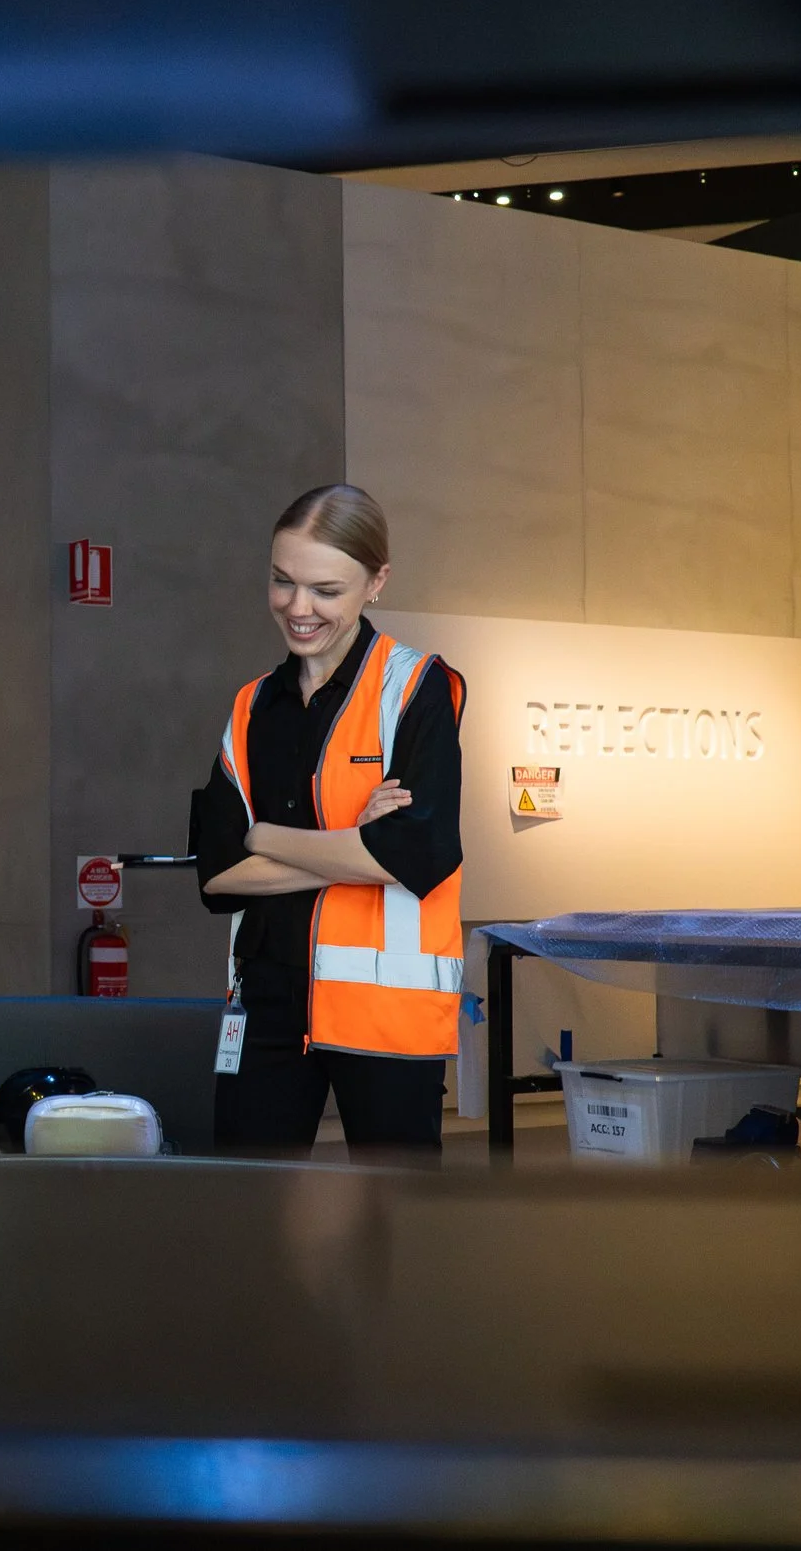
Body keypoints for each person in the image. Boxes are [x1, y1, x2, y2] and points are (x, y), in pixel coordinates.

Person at [193, 483, 466, 1159]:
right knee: (248, 1209)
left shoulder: (420, 687)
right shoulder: (253, 705)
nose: (298, 607)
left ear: (377, 582)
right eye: (283, 581)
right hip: (265, 1005)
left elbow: (412, 856)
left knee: (396, 1231)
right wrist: (353, 842)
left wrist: (269, 839)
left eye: (325, 589)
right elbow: (219, 870)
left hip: (387, 1014)